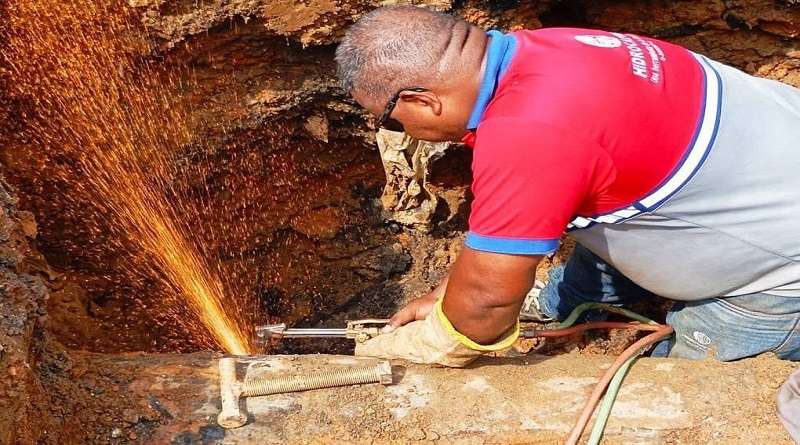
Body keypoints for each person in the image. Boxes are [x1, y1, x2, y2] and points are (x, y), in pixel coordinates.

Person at [334, 6, 800, 367]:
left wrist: (435, 340)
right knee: (597, 220)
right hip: (758, 179)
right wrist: (452, 291)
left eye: (393, 120)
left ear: (420, 100)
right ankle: (570, 306)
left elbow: (487, 304)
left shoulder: (530, 131)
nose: (404, 133)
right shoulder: (548, 48)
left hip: (781, 275)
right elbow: (567, 180)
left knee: (679, 388)